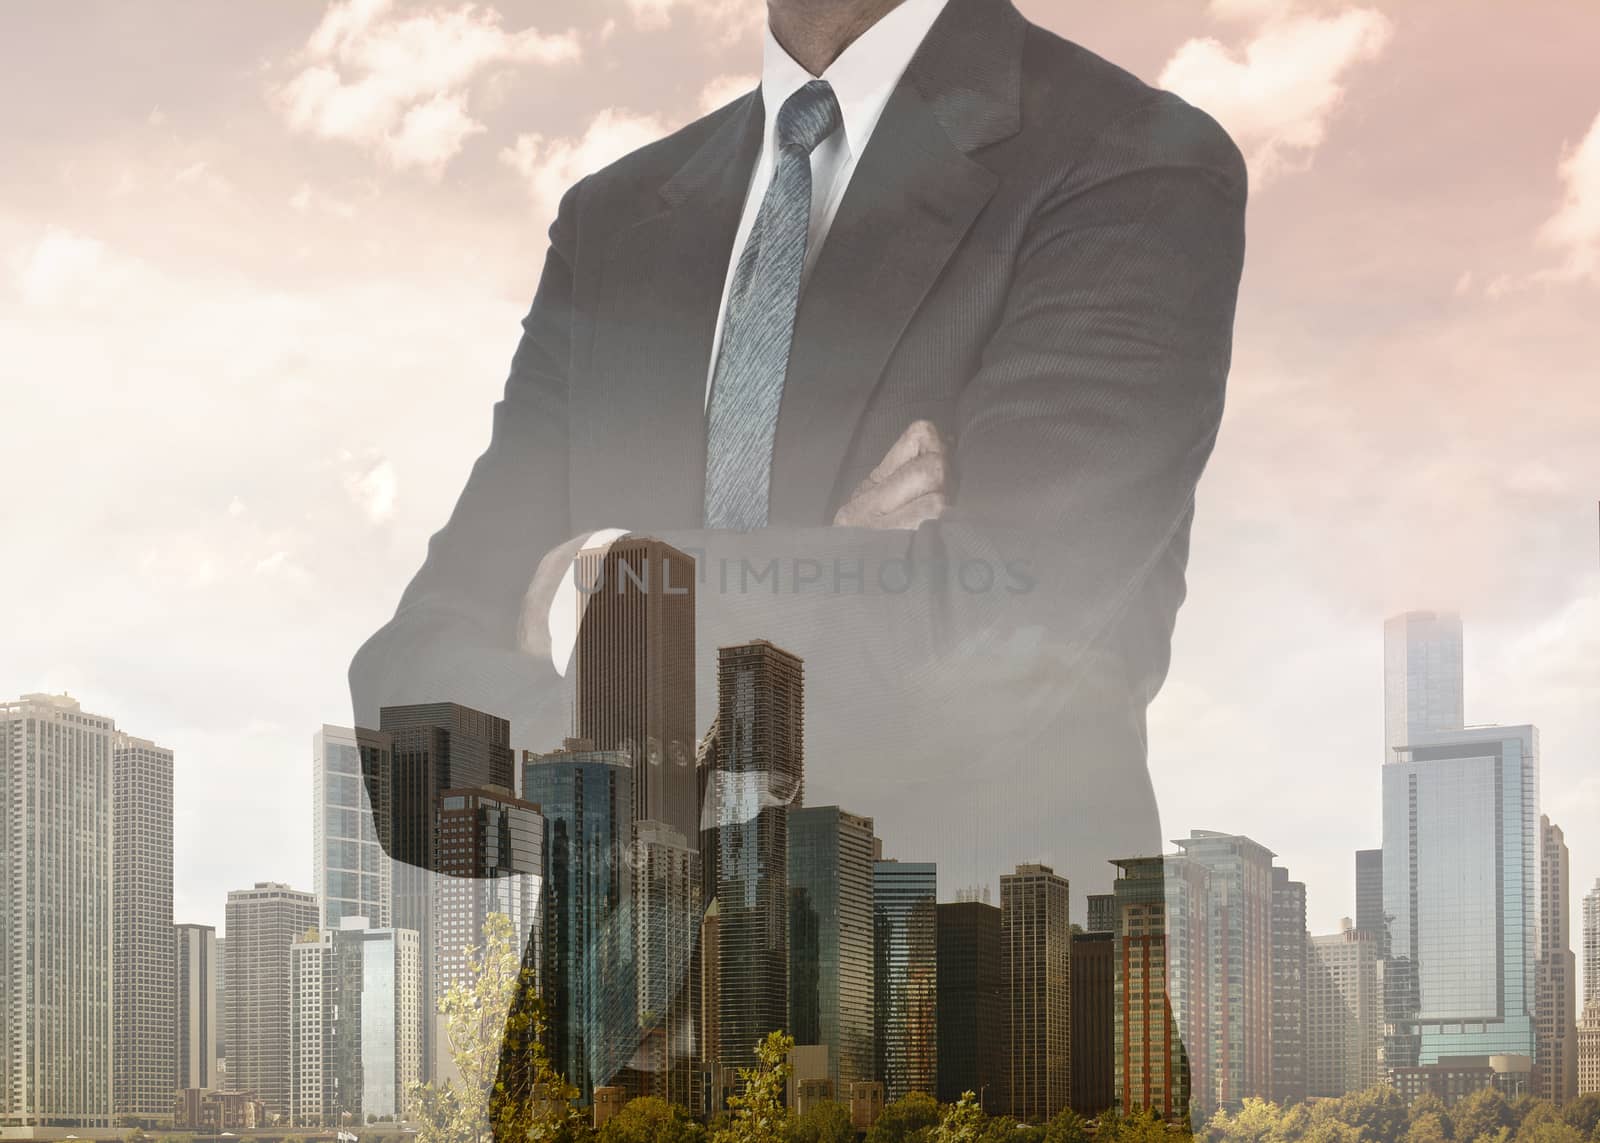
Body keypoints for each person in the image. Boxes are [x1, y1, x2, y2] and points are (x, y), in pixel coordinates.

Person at [350, 0, 1246, 1111]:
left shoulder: (1129, 165)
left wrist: (603, 596)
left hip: (967, 1061)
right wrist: (837, 568)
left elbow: (996, 642)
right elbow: (410, 725)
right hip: (606, 1082)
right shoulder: (617, 218)